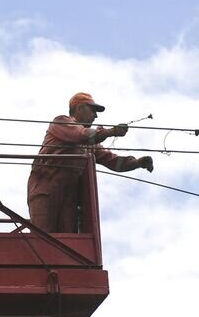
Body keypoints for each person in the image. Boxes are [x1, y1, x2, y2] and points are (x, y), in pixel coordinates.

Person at [27, 92, 154, 233]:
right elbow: (80, 135)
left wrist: (137, 163)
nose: (96, 116)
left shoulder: (89, 144)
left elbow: (112, 160)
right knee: (42, 236)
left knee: (68, 240)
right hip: (45, 190)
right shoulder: (61, 122)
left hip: (69, 198)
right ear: (79, 108)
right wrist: (110, 132)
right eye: (93, 110)